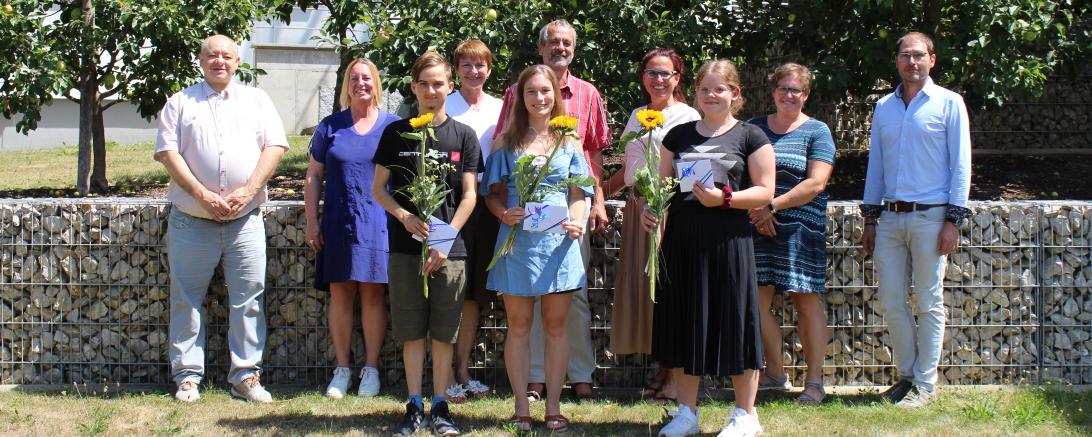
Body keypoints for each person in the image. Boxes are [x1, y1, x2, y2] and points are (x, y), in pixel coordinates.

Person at [644, 59, 775, 437]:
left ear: (735, 93)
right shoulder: (678, 136)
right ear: (696, 93)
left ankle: (745, 415)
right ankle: (686, 413)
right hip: (683, 243)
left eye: (720, 89)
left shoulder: (751, 136)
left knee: (736, 321)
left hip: (729, 243)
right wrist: (651, 215)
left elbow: (765, 191)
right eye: (705, 89)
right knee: (686, 322)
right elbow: (661, 190)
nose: (712, 95)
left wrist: (726, 199)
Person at [154, 34, 288, 403]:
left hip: (245, 221)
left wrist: (247, 191)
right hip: (192, 219)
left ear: (237, 60)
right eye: (212, 55)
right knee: (186, 298)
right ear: (201, 60)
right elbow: (167, 153)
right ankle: (187, 377)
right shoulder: (180, 103)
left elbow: (275, 146)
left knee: (248, 300)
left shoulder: (257, 100)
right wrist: (202, 194)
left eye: (227, 56)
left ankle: (245, 377)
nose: (220, 62)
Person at [494, 18, 610, 402]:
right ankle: (536, 381)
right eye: (554, 43)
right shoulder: (515, 93)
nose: (561, 48)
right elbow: (502, 152)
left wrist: (590, 207)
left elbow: (593, 155)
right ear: (542, 48)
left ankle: (579, 376)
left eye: (567, 43)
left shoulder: (588, 94)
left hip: (565, 224)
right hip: (523, 234)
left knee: (569, 302)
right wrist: (503, 210)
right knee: (526, 312)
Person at [861, 31, 972, 408]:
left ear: (932, 60)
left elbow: (961, 166)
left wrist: (953, 220)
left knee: (929, 301)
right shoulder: (884, 108)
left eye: (919, 55)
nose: (912, 62)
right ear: (896, 61)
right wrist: (870, 218)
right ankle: (907, 377)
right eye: (906, 56)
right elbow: (876, 165)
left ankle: (926, 384)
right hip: (890, 219)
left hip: (932, 217)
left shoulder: (949, 103)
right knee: (892, 301)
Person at [372, 51, 479, 437]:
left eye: (439, 84)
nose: (432, 91)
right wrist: (403, 217)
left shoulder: (463, 136)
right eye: (424, 84)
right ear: (414, 87)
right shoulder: (396, 133)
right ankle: (414, 405)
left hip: (450, 252)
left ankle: (441, 406)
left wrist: (444, 240)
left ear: (450, 87)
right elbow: (379, 189)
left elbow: (469, 196)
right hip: (405, 250)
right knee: (412, 331)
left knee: (443, 332)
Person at [481, 64, 593, 433]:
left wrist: (578, 219)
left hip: (559, 244)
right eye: (532, 92)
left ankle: (555, 408)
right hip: (518, 245)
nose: (540, 98)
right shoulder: (506, 143)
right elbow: (491, 196)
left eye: (546, 91)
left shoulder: (570, 141)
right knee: (519, 327)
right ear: (520, 97)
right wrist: (503, 213)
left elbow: (579, 193)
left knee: (558, 327)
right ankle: (520, 409)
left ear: (556, 96)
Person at [604, 47, 700, 404]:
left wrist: (670, 206)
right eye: (651, 73)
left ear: (677, 78)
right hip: (636, 209)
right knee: (647, 294)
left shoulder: (687, 116)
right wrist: (598, 194)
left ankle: (675, 379)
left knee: (668, 291)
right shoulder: (636, 115)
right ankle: (661, 368)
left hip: (667, 209)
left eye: (666, 73)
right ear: (642, 77)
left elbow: (689, 167)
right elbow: (628, 166)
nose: (658, 80)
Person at [304, 58, 399, 399]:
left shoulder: (394, 126)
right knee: (341, 293)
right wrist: (312, 221)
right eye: (354, 78)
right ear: (346, 85)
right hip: (339, 221)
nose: (361, 83)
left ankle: (371, 370)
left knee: (373, 295)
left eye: (367, 78)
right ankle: (342, 369)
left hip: (380, 223)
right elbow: (314, 175)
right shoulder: (330, 126)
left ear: (377, 83)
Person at [746, 63, 836, 405]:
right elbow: (740, 172)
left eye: (795, 90)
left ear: (806, 95)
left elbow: (816, 183)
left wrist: (772, 206)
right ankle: (775, 373)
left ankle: (814, 382)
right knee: (756, 300)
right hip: (756, 224)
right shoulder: (753, 127)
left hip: (800, 228)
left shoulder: (818, 131)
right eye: (783, 88)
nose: (788, 95)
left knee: (805, 299)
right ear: (773, 91)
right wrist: (760, 212)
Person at [443, 39, 504, 403]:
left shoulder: (501, 109)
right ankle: (444, 370)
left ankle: (463, 368)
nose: (473, 71)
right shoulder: (444, 105)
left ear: (489, 69)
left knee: (473, 296)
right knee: (448, 289)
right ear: (456, 70)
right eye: (466, 65)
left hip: (487, 206)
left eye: (480, 65)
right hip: (450, 206)